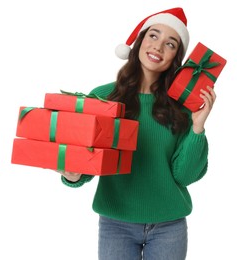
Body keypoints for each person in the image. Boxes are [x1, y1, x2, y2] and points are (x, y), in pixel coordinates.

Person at [58, 7, 216, 260]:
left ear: (177, 57)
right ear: (140, 41)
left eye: (170, 43)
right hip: (116, 223)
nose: (158, 47)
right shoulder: (104, 96)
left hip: (169, 225)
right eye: (153, 36)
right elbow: (89, 160)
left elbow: (185, 175)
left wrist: (198, 127)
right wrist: (73, 174)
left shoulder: (183, 107)